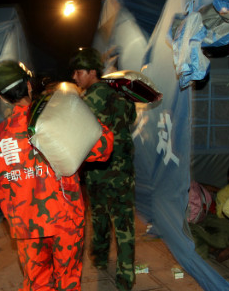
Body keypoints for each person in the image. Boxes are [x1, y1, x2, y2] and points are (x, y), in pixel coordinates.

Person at [0, 60, 114, 291]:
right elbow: (103, 148)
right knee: (68, 281)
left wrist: (15, 222)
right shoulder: (57, 115)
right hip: (65, 219)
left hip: (26, 224)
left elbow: (2, 186)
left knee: (37, 283)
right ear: (29, 85)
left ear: (3, 98)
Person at [69, 47, 137, 291]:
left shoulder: (86, 102)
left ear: (92, 72)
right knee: (124, 224)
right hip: (124, 170)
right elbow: (131, 118)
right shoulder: (121, 94)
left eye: (78, 72)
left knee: (98, 216)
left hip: (99, 170)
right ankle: (126, 277)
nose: (75, 77)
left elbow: (77, 136)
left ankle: (99, 258)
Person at [188, 164, 229, 262]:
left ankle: (218, 250)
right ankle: (215, 250)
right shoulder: (223, 194)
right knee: (193, 235)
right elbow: (222, 213)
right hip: (220, 222)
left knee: (224, 235)